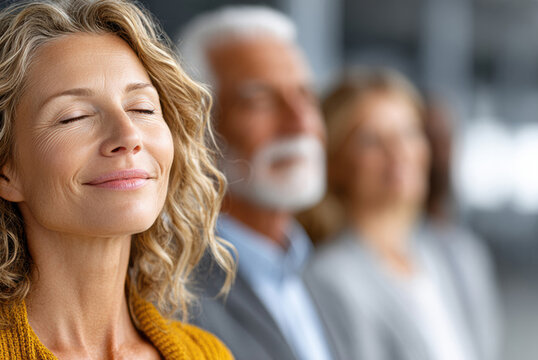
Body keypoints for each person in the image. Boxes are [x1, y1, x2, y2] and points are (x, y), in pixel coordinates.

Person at [0, 0, 235, 359]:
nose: (128, 135)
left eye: (143, 108)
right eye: (74, 117)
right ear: (3, 169)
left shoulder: (207, 353)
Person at [301, 67, 501, 360]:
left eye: (409, 133)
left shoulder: (461, 256)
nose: (398, 152)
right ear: (334, 162)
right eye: (371, 139)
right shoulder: (329, 279)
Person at [177, 6, 342, 360]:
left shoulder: (312, 270)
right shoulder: (173, 293)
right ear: (197, 129)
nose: (299, 121)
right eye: (260, 100)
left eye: (305, 95)